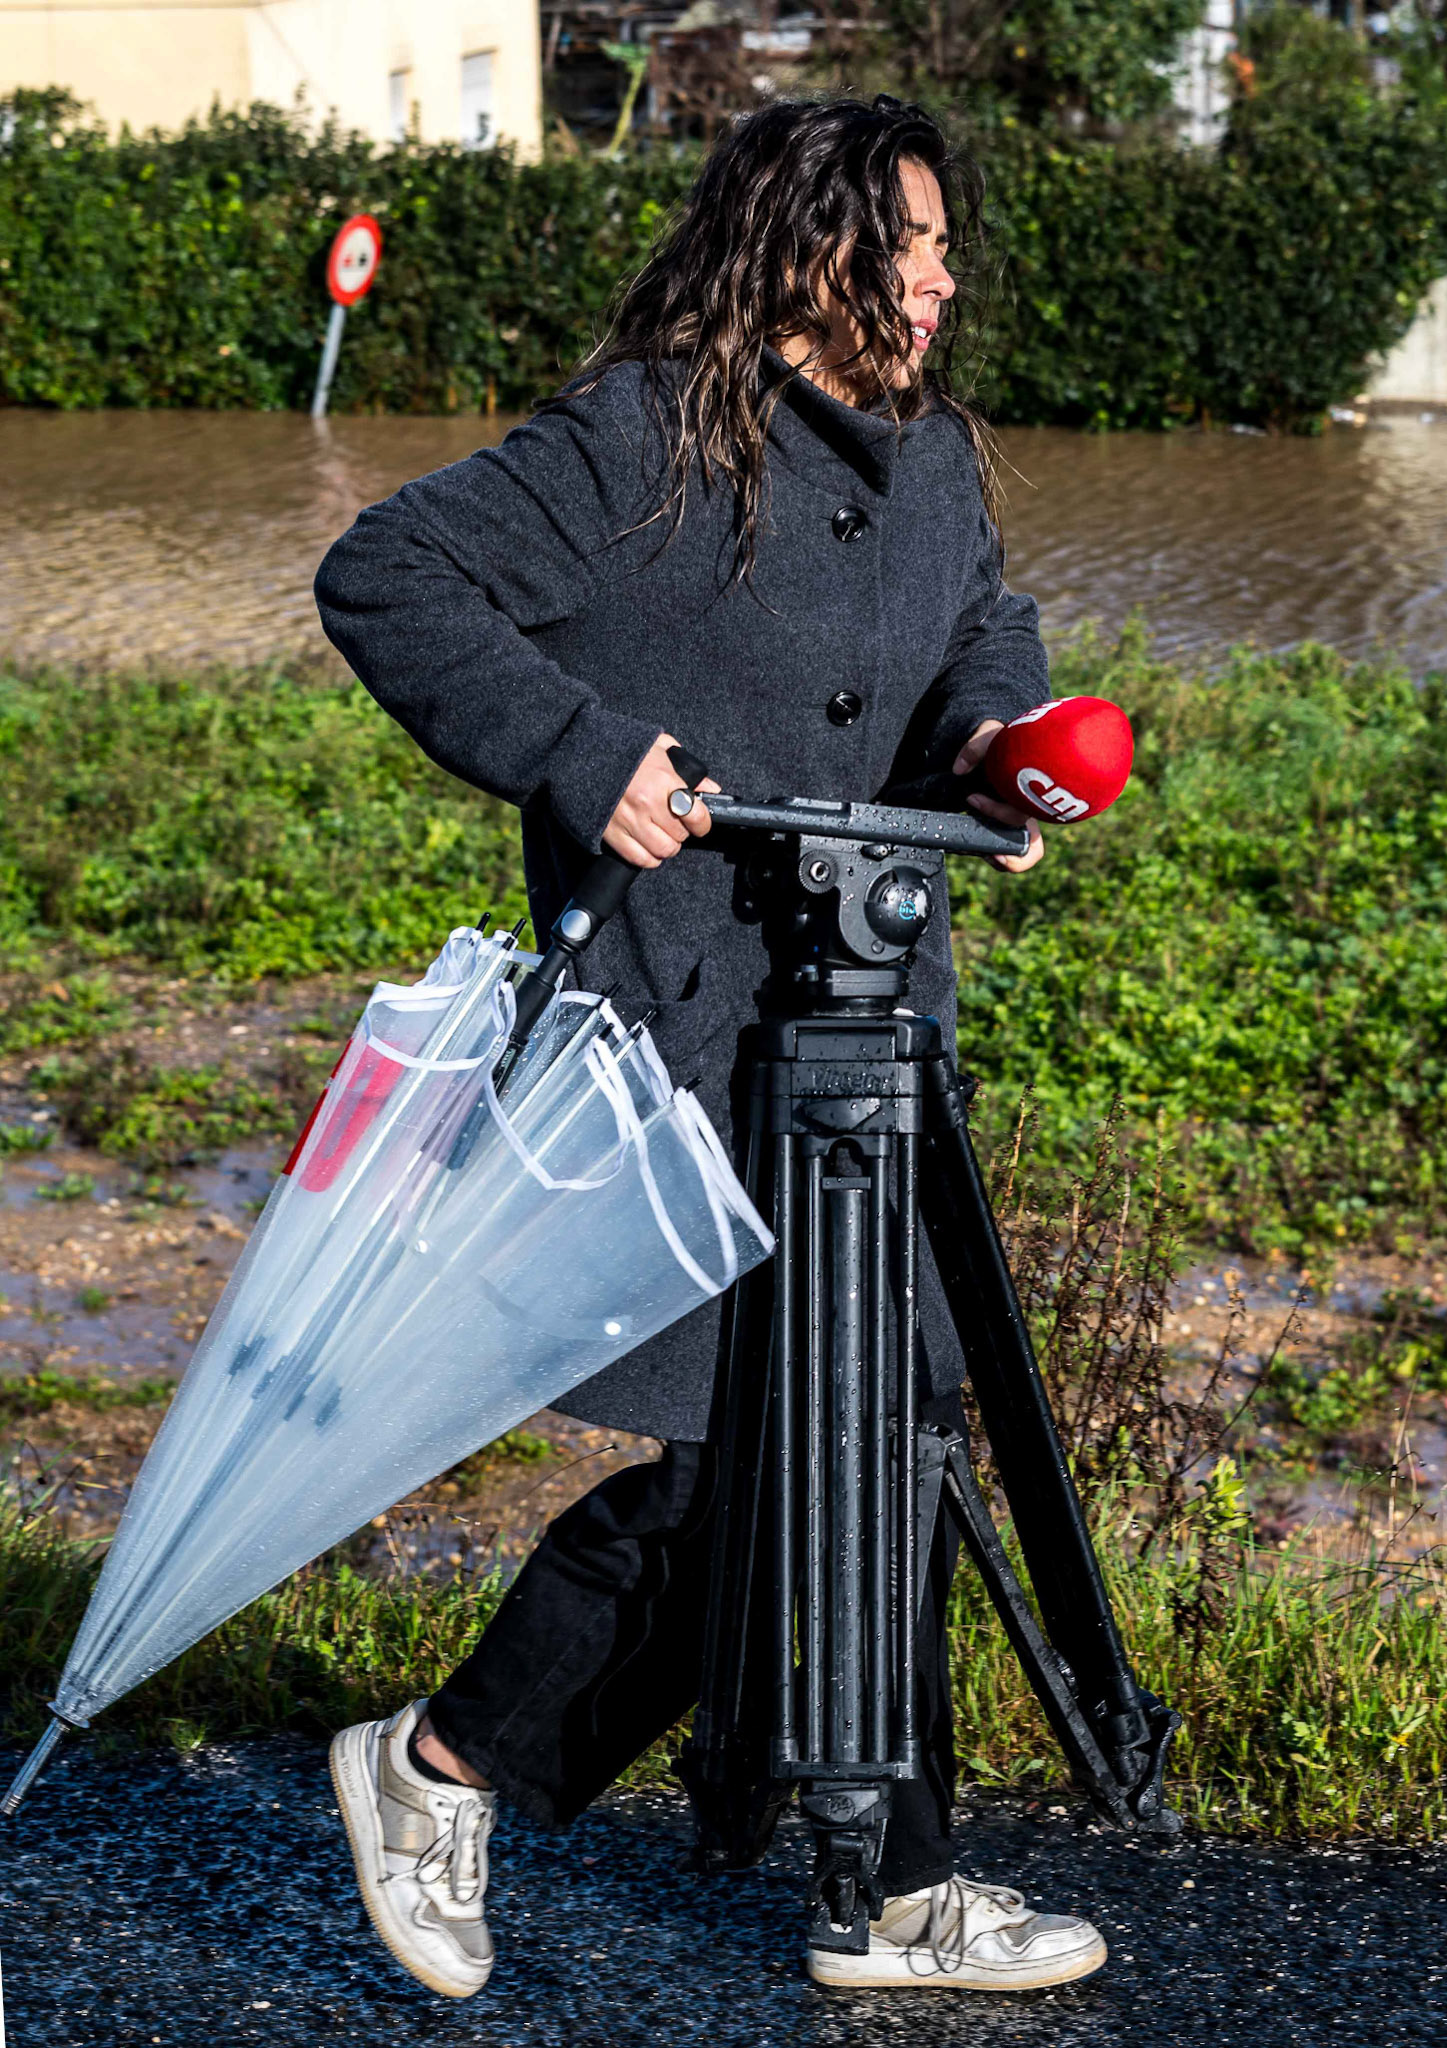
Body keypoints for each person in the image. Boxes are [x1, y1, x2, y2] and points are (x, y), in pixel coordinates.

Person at [313, 93, 1106, 1999]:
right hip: (675, 1042)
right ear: (808, 246)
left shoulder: (932, 462)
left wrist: (1004, 744)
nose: (936, 279)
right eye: (905, 243)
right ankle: (439, 1767)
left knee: (895, 1448)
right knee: (737, 1471)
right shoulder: (641, 439)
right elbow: (385, 577)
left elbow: (974, 634)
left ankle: (896, 1894)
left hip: (864, 1044)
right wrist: (586, 757)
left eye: (939, 249)